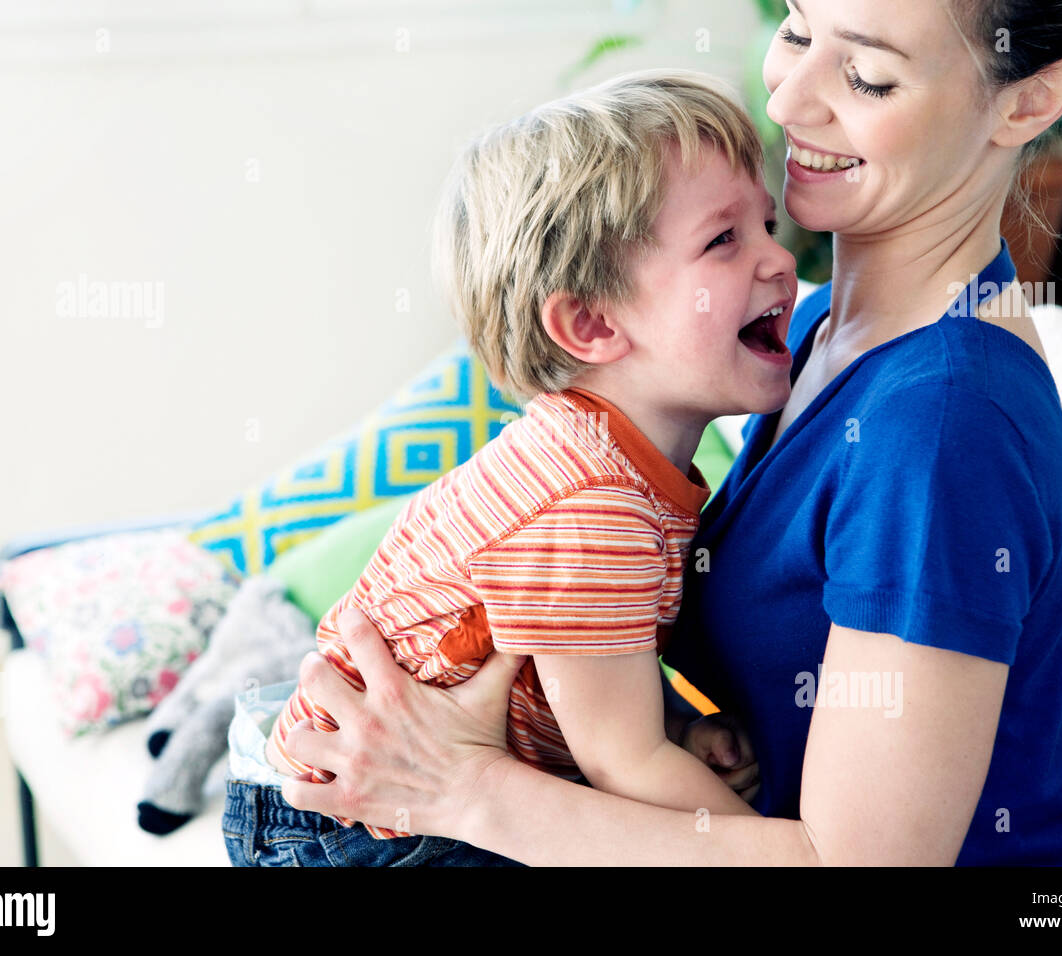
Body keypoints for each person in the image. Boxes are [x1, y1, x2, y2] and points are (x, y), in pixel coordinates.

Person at [278, 0, 1062, 866]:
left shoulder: (940, 423)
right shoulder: (806, 332)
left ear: (1031, 102)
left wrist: (459, 788)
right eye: (796, 29)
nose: (787, 100)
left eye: (867, 75)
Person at [221, 69, 801, 866]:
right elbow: (621, 767)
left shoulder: (622, 467)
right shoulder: (590, 502)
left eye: (767, 224)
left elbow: (588, 679)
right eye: (724, 239)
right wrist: (792, 847)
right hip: (350, 826)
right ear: (591, 323)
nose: (780, 261)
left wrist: (677, 728)